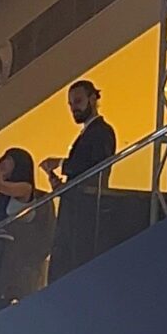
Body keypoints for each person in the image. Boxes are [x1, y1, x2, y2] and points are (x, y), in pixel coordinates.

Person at [42, 78, 117, 281]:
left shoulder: (101, 132)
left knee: (73, 263)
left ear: (92, 99)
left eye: (78, 101)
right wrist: (64, 185)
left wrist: (62, 163)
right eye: (71, 104)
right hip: (78, 207)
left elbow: (95, 165)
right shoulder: (92, 133)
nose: (74, 108)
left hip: (85, 211)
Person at [0, 143, 48, 306]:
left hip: (14, 252)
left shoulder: (25, 188)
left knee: (9, 291)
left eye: (8, 159)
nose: (2, 163)